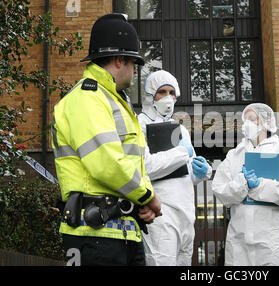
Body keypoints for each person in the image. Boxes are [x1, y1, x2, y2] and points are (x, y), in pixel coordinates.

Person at [51, 13, 161, 266]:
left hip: (121, 233)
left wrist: (142, 200)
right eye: (135, 63)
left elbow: (132, 163)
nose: (135, 70)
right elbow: (106, 162)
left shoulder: (112, 100)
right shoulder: (87, 97)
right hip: (92, 236)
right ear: (120, 59)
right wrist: (148, 198)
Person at [212, 103, 279, 266]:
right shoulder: (234, 156)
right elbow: (220, 191)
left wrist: (258, 186)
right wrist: (240, 184)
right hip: (240, 237)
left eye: (253, 119)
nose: (248, 124)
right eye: (245, 120)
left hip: (274, 239)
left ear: (267, 122)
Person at [138, 70, 212, 266]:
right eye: (162, 91)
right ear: (150, 94)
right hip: (161, 213)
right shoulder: (140, 125)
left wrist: (201, 172)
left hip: (186, 214)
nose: (168, 97)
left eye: (172, 92)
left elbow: (185, 171)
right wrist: (180, 153)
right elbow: (144, 167)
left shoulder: (181, 130)